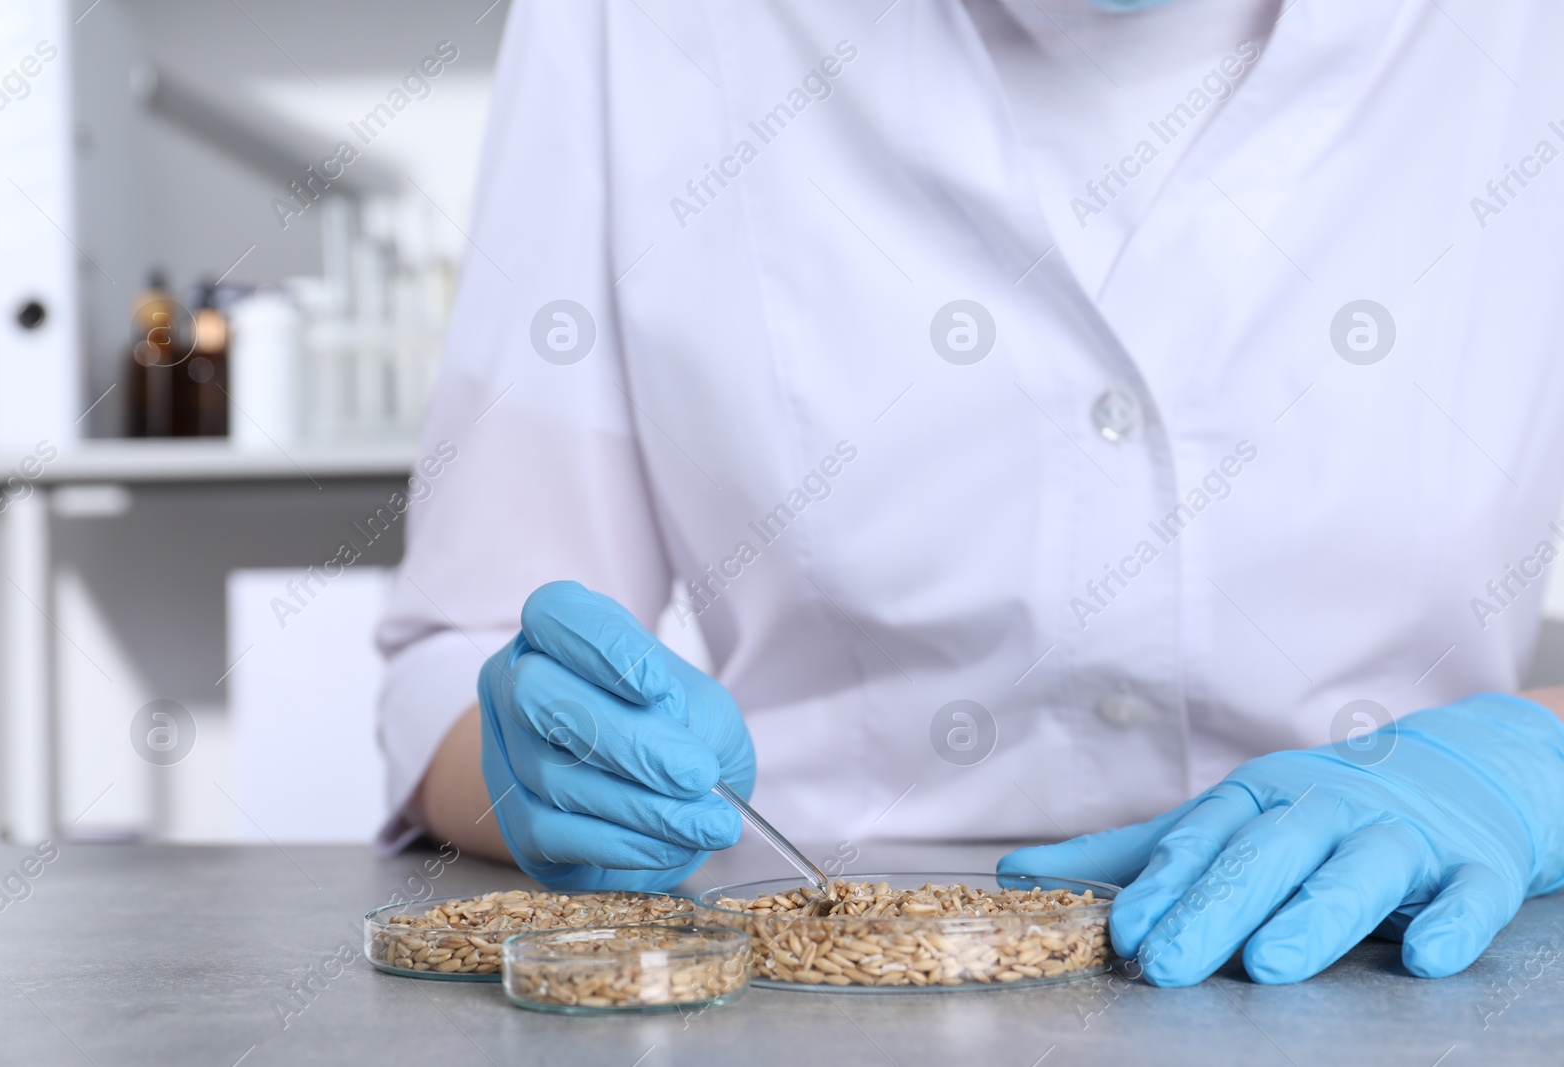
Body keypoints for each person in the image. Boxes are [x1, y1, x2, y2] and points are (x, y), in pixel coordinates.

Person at [375, 0, 1564, 987]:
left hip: (1411, 957)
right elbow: (461, 647)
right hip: (808, 982)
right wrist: (557, 766)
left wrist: (1529, 766)